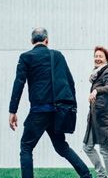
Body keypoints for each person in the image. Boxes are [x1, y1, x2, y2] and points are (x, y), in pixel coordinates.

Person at [9, 27, 91, 178]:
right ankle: (86, 175)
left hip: (39, 112)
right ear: (47, 40)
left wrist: (12, 111)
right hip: (57, 112)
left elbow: (18, 84)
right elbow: (70, 82)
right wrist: (71, 108)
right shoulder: (57, 55)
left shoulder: (26, 57)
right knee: (61, 147)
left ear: (32, 41)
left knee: (26, 147)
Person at [83, 46, 108, 178]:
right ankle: (101, 174)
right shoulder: (96, 73)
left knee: (105, 149)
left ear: (106, 59)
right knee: (87, 147)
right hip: (95, 117)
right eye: (96, 56)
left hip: (104, 118)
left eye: (100, 56)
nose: (97, 58)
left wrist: (96, 91)